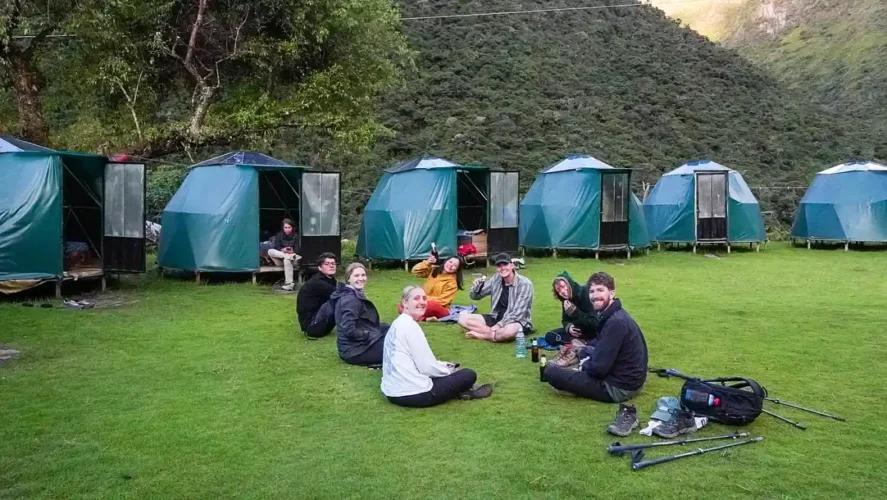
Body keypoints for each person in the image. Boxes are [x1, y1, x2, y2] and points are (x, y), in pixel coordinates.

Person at [542, 272, 648, 410]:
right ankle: (576, 371)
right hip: (627, 379)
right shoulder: (614, 315)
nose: (595, 295)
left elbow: (598, 369)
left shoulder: (616, 322)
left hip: (618, 387)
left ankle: (573, 381)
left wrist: (583, 365)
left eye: (600, 290)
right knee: (584, 350)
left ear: (611, 293)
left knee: (551, 373)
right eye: (591, 291)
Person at [382, 285, 493, 408]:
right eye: (416, 299)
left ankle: (462, 390)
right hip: (412, 394)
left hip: (391, 391)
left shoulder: (398, 323)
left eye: (424, 298)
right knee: (468, 374)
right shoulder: (411, 327)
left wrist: (441, 364)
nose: (422, 302)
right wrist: (447, 371)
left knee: (446, 372)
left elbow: (416, 361)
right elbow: (427, 368)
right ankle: (465, 391)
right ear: (405, 303)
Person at [457, 252, 534, 342]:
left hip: (516, 321)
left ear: (512, 266)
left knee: (509, 331)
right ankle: (492, 334)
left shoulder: (524, 284)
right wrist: (477, 286)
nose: (502, 268)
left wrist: (499, 325)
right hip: (496, 317)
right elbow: (475, 296)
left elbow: (518, 314)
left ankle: (484, 335)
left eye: (505, 264)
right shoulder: (496, 278)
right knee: (462, 319)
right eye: (499, 266)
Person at [330, 262, 389, 366]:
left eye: (363, 275)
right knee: (396, 347)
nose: (361, 278)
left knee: (390, 329)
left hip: (353, 346)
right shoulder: (350, 300)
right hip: (354, 351)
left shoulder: (351, 293)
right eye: (356, 276)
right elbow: (348, 329)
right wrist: (370, 335)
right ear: (348, 279)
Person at [546, 271, 599, 368]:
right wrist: (569, 327)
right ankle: (575, 346)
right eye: (558, 290)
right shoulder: (565, 300)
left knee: (594, 341)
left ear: (569, 284)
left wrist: (575, 313)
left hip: (592, 332)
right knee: (550, 336)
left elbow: (594, 322)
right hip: (577, 331)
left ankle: (575, 350)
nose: (562, 291)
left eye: (563, 286)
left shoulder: (584, 294)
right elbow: (565, 319)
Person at [398, 254, 463, 321]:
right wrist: (428, 262)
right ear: (445, 261)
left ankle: (415, 314)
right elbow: (415, 271)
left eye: (455, 265)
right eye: (450, 262)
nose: (451, 265)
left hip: (440, 308)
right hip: (424, 302)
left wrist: (424, 300)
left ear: (456, 270)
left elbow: (443, 301)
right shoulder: (434, 270)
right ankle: (425, 319)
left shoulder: (452, 283)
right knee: (402, 305)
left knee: (430, 305)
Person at [296, 252, 340, 339]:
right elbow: (340, 294)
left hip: (320, 322)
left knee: (343, 299)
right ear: (320, 267)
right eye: (327, 264)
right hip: (312, 327)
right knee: (343, 300)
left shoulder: (330, 279)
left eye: (333, 263)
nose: (331, 266)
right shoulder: (317, 282)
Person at [267, 218, 301, 291]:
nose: (287, 229)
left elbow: (298, 250)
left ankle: (289, 284)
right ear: (283, 228)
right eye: (285, 227)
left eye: (289, 227)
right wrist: (283, 250)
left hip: (293, 259)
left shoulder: (297, 236)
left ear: (292, 227)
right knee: (270, 251)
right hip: (281, 256)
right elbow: (276, 247)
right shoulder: (279, 234)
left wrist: (292, 251)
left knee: (287, 260)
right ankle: (287, 256)